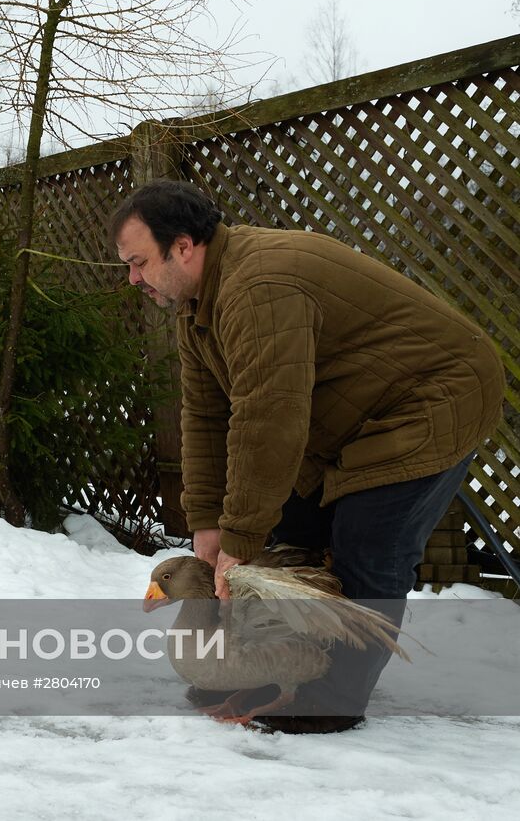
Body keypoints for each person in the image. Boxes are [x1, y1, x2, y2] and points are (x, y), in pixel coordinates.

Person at [110, 179, 504, 732]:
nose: (132, 278)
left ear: (182, 247)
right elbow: (205, 415)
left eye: (137, 261)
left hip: (431, 401)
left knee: (367, 548)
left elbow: (268, 418)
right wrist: (207, 523)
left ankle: (332, 698)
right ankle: (276, 665)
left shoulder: (257, 287)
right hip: (350, 416)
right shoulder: (197, 303)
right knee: (286, 526)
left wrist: (240, 537)